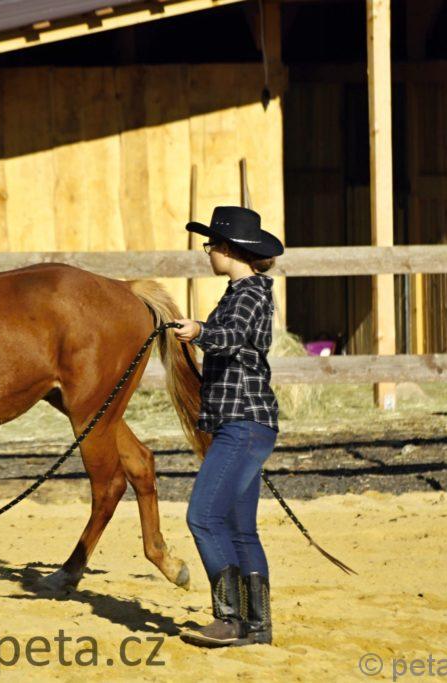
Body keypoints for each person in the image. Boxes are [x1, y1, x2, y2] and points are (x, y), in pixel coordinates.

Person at [170, 206, 284, 648]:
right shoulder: (241, 291)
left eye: (212, 245)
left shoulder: (249, 294)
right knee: (240, 528)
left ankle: (230, 619)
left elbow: (231, 336)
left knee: (202, 516)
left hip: (243, 424)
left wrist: (199, 330)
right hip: (246, 424)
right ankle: (257, 626)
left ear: (230, 249)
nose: (209, 252)